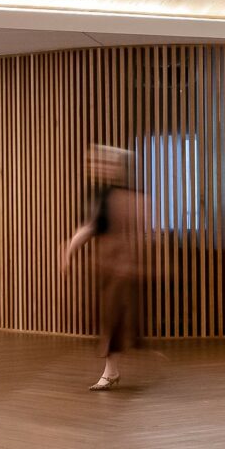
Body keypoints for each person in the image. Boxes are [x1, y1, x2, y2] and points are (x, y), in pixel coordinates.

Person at [58, 144, 146, 390]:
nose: (100, 167)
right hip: (109, 264)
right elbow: (90, 227)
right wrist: (69, 251)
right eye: (97, 163)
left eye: (106, 163)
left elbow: (93, 228)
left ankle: (111, 371)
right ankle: (112, 369)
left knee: (113, 317)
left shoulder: (121, 195)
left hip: (120, 264)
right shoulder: (101, 194)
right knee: (111, 317)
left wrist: (69, 250)